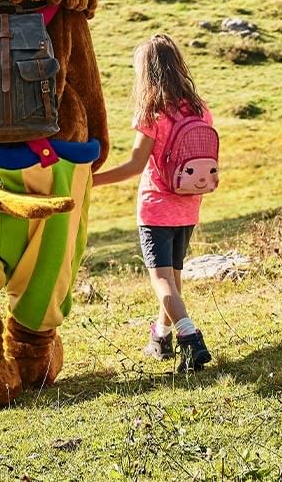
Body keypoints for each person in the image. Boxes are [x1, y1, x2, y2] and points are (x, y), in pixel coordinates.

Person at [92, 32, 213, 373]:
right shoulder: (201, 110)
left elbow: (133, 166)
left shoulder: (153, 115)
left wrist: (90, 181)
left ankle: (191, 339)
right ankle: (161, 338)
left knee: (161, 281)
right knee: (173, 278)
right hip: (189, 205)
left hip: (156, 209)